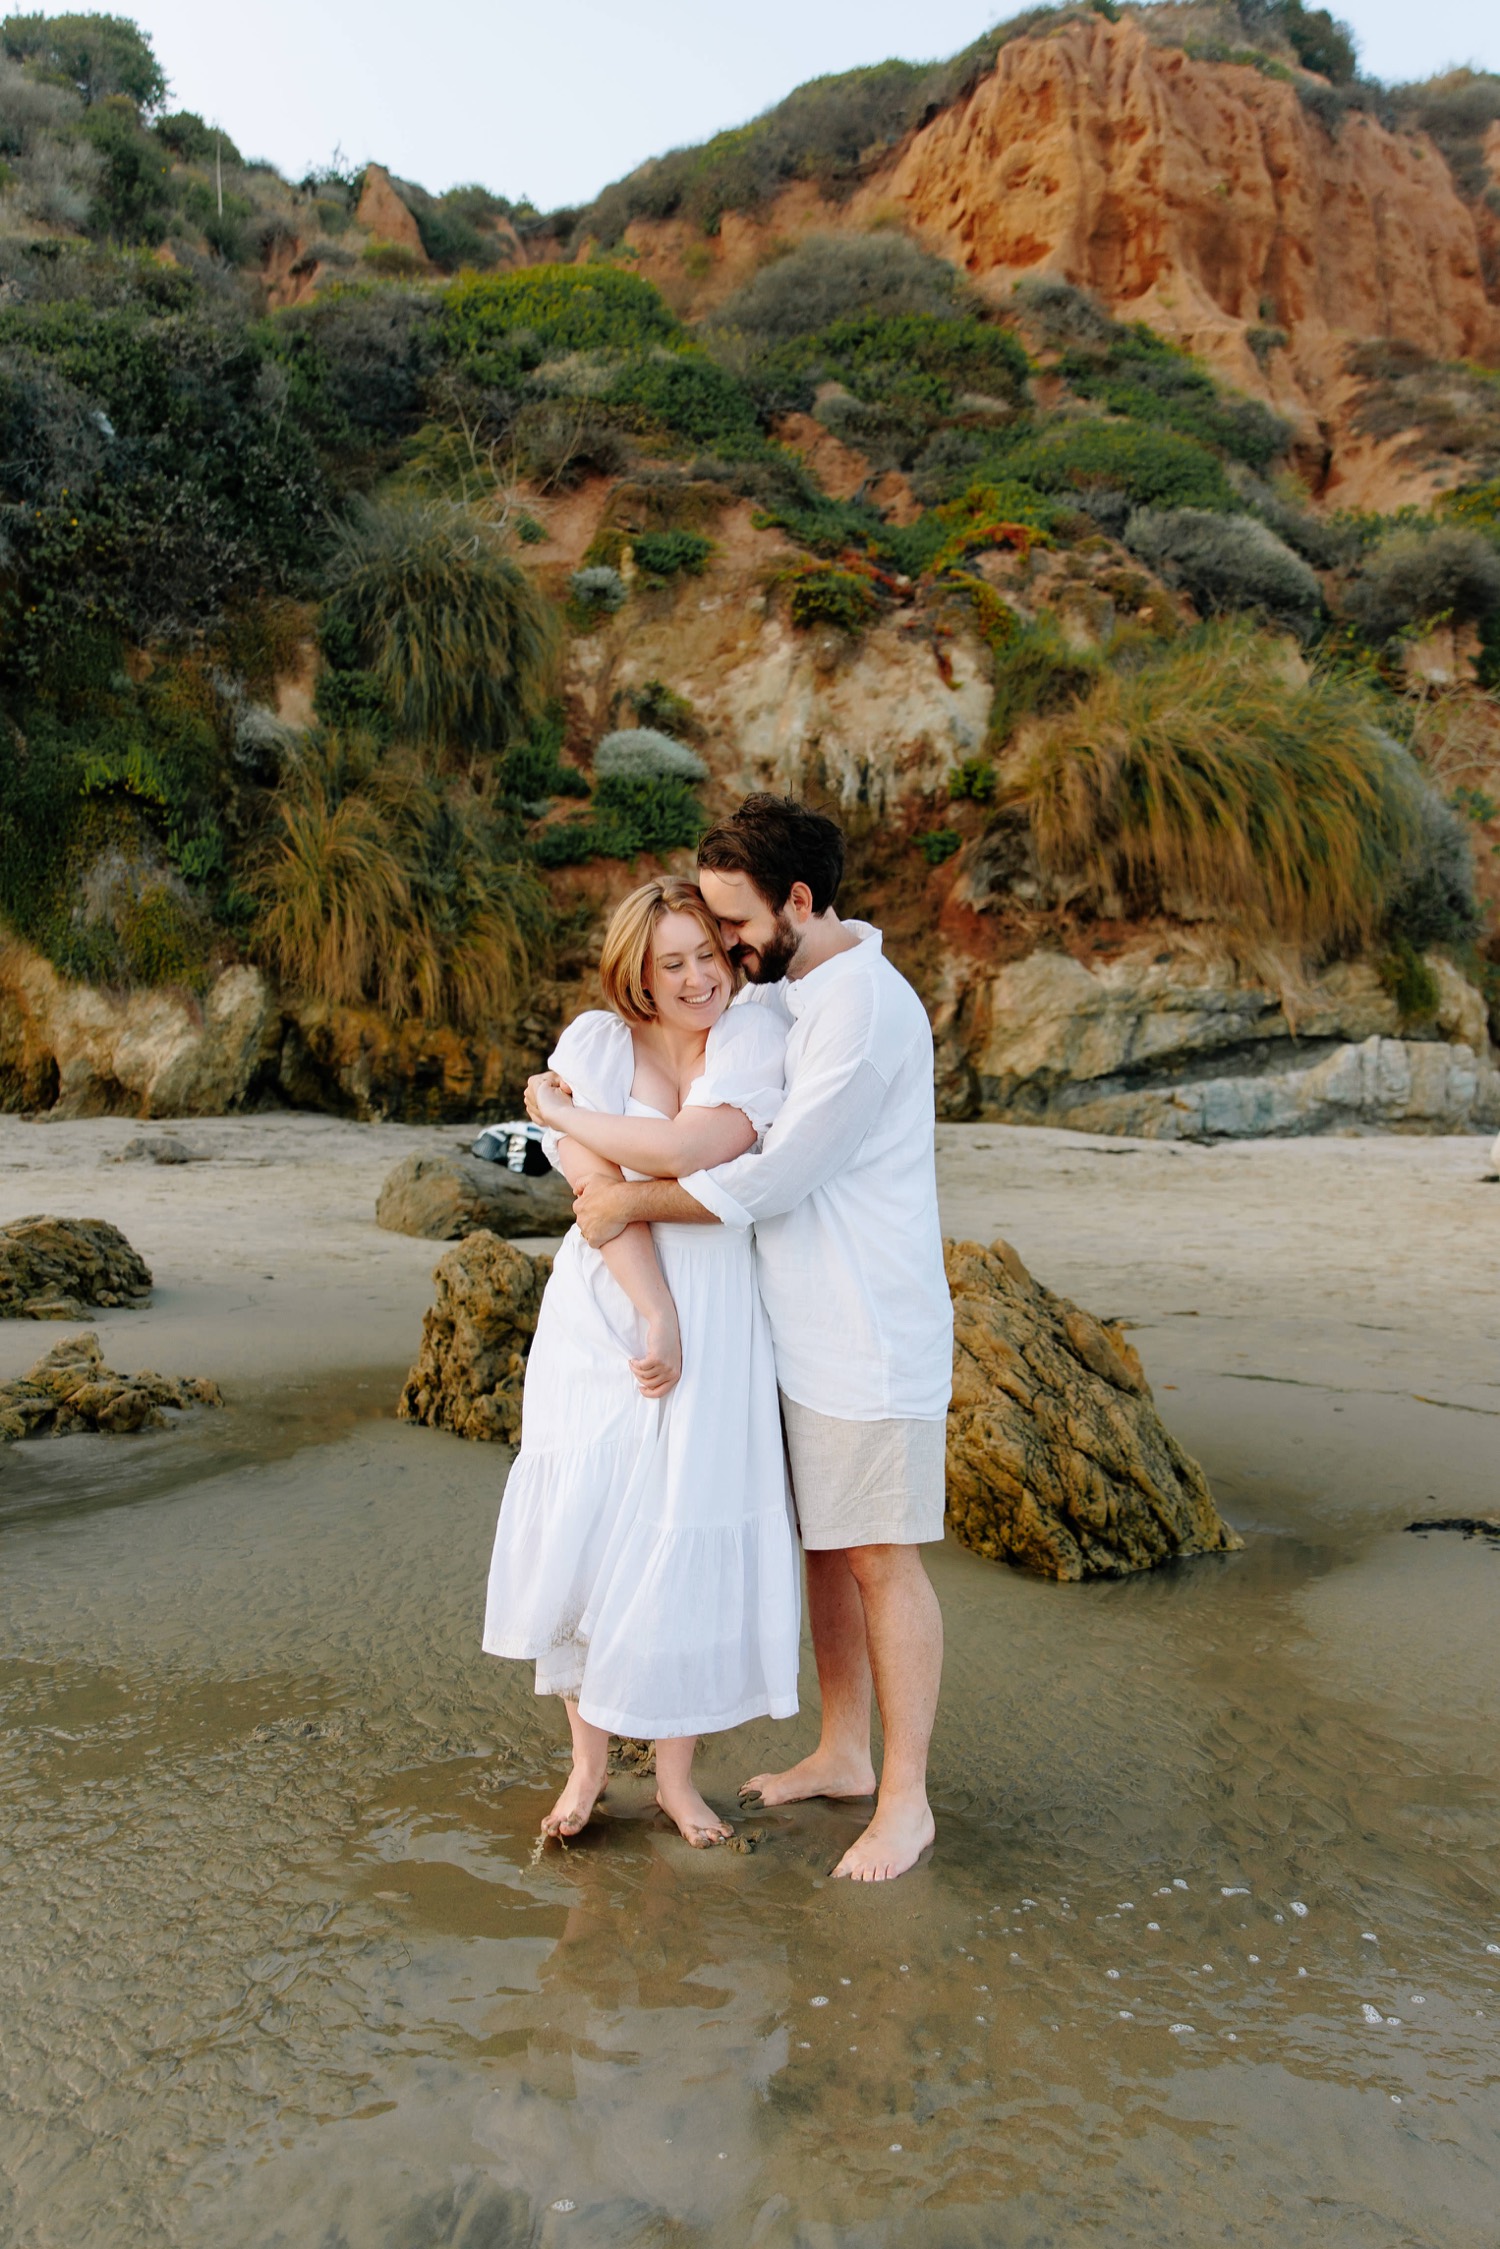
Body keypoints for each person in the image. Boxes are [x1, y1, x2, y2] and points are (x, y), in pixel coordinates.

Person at [551, 796, 952, 1884]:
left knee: (880, 1554)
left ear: (800, 903)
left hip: (870, 1329)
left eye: (735, 922)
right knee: (828, 1547)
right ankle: (843, 1749)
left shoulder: (863, 1006)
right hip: (797, 1330)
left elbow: (772, 1173)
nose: (725, 946)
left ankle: (905, 1799)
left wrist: (631, 1204)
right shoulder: (801, 991)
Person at [483, 877, 800, 1848]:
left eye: (709, 951)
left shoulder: (749, 1034)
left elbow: (696, 1145)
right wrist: (653, 1310)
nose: (701, 975)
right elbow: (594, 1192)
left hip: (718, 1305)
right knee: (601, 1524)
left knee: (686, 1523)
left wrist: (560, 1113)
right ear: (638, 972)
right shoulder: (593, 1040)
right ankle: (586, 1765)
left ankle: (674, 1776)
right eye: (675, 962)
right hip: (607, 1306)